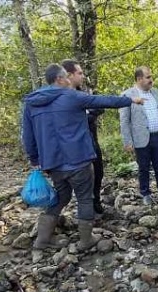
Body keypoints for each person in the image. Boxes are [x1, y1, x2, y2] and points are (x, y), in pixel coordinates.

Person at [21, 63, 144, 251]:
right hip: (78, 159)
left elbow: (28, 136)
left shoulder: (32, 102)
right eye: (67, 78)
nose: (70, 80)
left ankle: (42, 240)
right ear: (60, 79)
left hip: (53, 163)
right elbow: (103, 101)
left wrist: (35, 159)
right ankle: (86, 240)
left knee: (61, 197)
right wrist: (131, 100)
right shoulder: (71, 96)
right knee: (85, 198)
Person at [119, 66, 158, 206]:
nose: (151, 80)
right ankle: (145, 194)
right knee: (143, 168)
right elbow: (124, 121)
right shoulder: (127, 95)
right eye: (148, 77)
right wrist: (127, 141)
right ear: (139, 79)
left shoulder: (156, 92)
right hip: (141, 139)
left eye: (151, 77)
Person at [60, 59, 106, 214]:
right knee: (79, 176)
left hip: (91, 139)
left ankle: (96, 200)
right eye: (79, 73)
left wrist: (94, 112)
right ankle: (79, 210)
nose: (83, 76)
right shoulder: (59, 96)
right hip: (72, 145)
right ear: (69, 75)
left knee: (98, 171)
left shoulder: (83, 93)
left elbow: (99, 107)